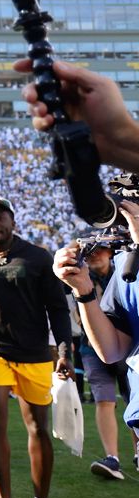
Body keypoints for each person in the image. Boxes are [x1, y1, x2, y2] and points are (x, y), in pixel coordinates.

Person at [0, 195, 72, 498]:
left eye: (0, 216)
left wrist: (63, 352)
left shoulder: (37, 257)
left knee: (37, 427)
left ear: (13, 221)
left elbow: (58, 309)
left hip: (33, 351)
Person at [52, 201, 139, 476]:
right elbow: (114, 349)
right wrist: (83, 290)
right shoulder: (126, 262)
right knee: (105, 398)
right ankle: (114, 455)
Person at [76, 247, 139, 479]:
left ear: (110, 252)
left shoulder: (128, 264)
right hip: (92, 346)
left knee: (132, 396)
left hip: (129, 347)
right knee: (104, 399)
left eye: (99, 251)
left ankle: (136, 451)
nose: (93, 255)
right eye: (89, 251)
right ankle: (112, 457)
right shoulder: (82, 273)